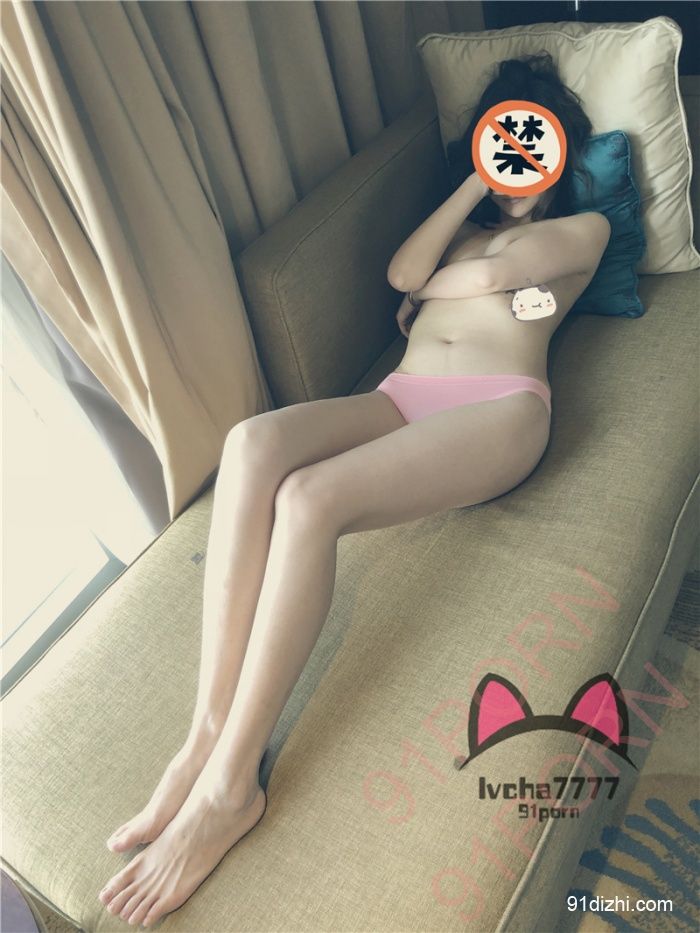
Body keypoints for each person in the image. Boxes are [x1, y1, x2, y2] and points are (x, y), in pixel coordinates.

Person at [98, 52, 610, 928]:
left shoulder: (584, 229)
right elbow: (403, 274)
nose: (519, 153)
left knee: (309, 499)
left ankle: (231, 786)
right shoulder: (460, 229)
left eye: (535, 138)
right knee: (253, 443)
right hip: (401, 397)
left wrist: (442, 278)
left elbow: (492, 280)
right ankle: (204, 734)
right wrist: (472, 187)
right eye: (503, 135)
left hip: (498, 409)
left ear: (560, 151)